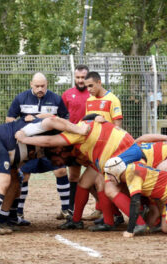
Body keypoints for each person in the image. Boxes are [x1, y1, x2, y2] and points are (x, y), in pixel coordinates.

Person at [15, 117, 144, 232]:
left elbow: (49, 141)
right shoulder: (82, 123)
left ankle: (129, 221)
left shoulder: (76, 133)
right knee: (84, 182)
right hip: (119, 151)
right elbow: (91, 116)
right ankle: (76, 221)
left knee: (106, 187)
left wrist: (25, 138)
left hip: (123, 153)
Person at [6, 72, 72, 221]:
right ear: (31, 84)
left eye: (42, 86)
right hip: (29, 145)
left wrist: (47, 118)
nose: (40, 88)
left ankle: (66, 210)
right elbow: (9, 119)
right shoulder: (21, 98)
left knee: (61, 171)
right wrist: (24, 121)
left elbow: (66, 119)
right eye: (37, 86)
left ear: (47, 84)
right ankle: (18, 213)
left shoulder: (56, 99)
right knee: (23, 175)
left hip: (51, 144)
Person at [84, 71, 124, 221]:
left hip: (109, 150)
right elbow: (88, 123)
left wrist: (105, 123)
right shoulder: (89, 101)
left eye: (91, 86)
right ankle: (109, 211)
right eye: (86, 86)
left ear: (99, 82)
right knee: (88, 183)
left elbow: (118, 127)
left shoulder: (112, 99)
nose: (89, 89)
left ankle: (113, 214)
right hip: (95, 150)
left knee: (102, 183)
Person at [61, 64, 90, 213]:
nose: (80, 80)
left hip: (90, 141)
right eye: (78, 77)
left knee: (97, 175)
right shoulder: (67, 94)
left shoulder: (94, 94)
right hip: (72, 141)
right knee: (73, 175)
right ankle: (69, 209)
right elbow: (61, 116)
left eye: (83, 77)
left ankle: (100, 210)